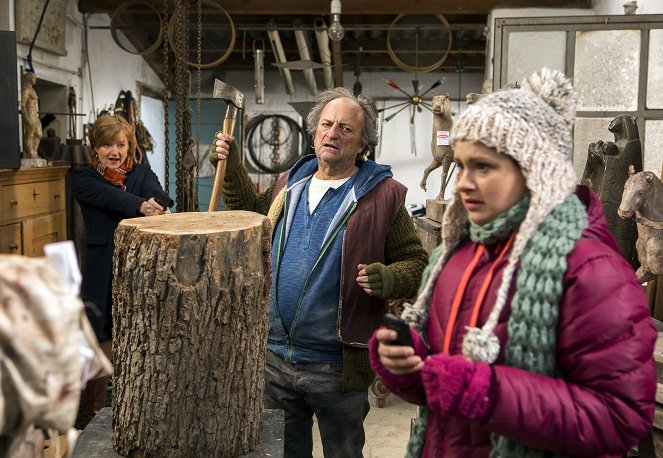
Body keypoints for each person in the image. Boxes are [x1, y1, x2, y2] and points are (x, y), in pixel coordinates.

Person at [369, 68, 656, 457]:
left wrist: (484, 391)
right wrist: (411, 366)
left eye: (483, 167)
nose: (464, 183)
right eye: (464, 165)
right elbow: (447, 377)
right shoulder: (455, 255)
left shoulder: (590, 270)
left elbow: (617, 418)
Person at [212, 87, 429, 457]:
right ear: (314, 132)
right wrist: (232, 167)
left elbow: (417, 264)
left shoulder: (384, 195)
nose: (333, 133)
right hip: (276, 359)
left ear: (363, 143)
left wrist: (389, 278)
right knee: (282, 452)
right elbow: (250, 214)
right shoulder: (288, 184)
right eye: (327, 124)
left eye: (346, 128)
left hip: (336, 365)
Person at [71, 115, 168, 424]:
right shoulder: (82, 177)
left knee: (137, 328)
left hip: (138, 266)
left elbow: (156, 191)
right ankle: (93, 413)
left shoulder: (141, 172)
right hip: (101, 267)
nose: (114, 151)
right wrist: (141, 206)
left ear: (129, 146)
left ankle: (134, 408)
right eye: (107, 145)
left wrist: (158, 202)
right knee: (98, 332)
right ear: (95, 148)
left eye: (120, 144)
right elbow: (110, 197)